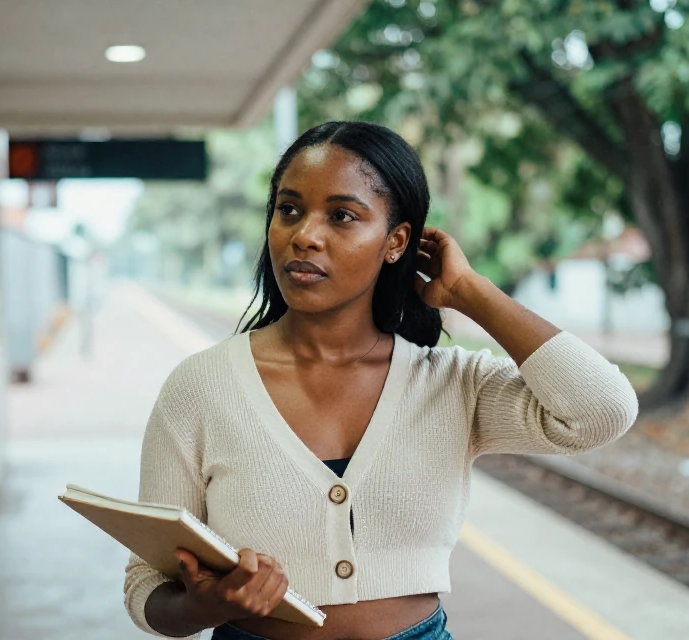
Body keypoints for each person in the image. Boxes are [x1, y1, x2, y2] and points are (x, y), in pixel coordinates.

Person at [124, 121, 639, 640]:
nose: (304, 235)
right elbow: (147, 589)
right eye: (289, 210)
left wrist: (470, 292)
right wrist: (204, 606)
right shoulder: (201, 387)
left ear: (396, 242)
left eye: (342, 216)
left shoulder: (452, 384)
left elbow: (601, 413)